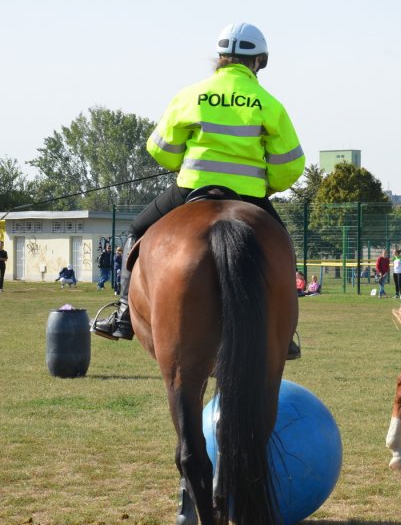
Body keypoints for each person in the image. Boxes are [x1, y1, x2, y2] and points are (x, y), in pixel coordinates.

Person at [92, 22, 304, 342]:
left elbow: (160, 148)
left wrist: (180, 163)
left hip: (191, 189)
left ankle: (123, 314)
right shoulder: (270, 105)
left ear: (220, 57)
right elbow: (290, 165)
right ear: (259, 61)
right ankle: (284, 333)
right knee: (283, 246)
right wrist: (267, 185)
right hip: (249, 196)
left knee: (137, 229)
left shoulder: (190, 95)